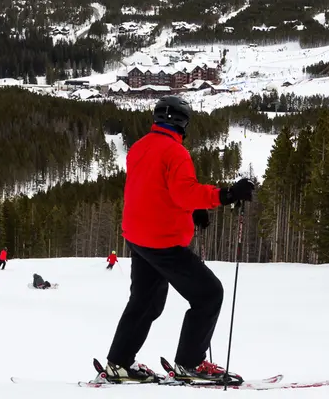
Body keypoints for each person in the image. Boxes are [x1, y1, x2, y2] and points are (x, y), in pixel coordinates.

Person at [104, 96, 255, 385]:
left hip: (138, 237)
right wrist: (225, 195)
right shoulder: (175, 152)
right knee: (208, 294)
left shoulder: (139, 147)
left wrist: (192, 209)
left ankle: (119, 362)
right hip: (163, 241)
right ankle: (190, 364)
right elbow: (184, 192)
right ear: (183, 123)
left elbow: (153, 189)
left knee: (146, 302)